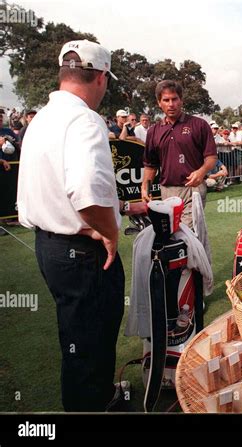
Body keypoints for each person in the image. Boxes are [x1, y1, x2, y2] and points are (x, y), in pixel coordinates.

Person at [17, 39, 147, 412]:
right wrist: (109, 230)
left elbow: (59, 189)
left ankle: (99, 395)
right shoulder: (85, 120)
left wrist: (116, 208)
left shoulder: (42, 118)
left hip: (50, 245)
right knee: (90, 339)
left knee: (77, 337)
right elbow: (87, 194)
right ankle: (96, 403)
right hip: (79, 251)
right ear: (101, 78)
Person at [141, 80, 217, 228]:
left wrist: (201, 172)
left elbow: (212, 157)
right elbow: (151, 165)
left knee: (186, 233)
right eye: (166, 100)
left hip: (193, 188)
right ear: (159, 103)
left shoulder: (199, 125)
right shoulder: (153, 131)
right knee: (172, 233)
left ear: (181, 100)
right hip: (167, 190)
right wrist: (145, 186)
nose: (171, 104)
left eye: (174, 99)